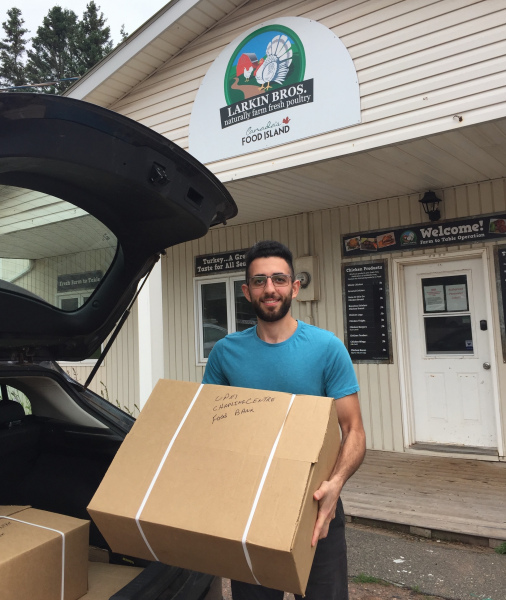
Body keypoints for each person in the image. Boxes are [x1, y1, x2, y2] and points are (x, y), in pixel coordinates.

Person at [203, 240, 366, 600]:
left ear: (294, 286)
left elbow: (353, 430)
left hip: (316, 506)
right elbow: (211, 431)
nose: (270, 289)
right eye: (259, 281)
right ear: (247, 292)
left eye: (279, 279)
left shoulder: (327, 348)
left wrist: (335, 484)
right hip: (252, 507)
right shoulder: (225, 353)